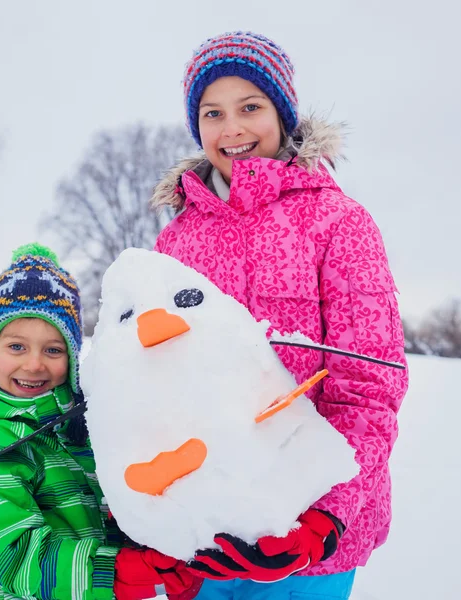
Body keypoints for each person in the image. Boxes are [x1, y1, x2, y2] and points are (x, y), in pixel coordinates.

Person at [151, 32, 409, 599]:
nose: (232, 129)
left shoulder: (339, 222)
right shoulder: (174, 243)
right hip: (201, 540)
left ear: (282, 113)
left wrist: (324, 519)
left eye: (250, 107)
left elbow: (368, 386)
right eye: (212, 112)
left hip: (308, 544)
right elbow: (155, 387)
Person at [0, 243, 196, 600]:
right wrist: (119, 572)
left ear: (73, 358)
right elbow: (15, 553)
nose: (33, 364)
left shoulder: (82, 424)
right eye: (16, 346)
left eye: (53, 349)